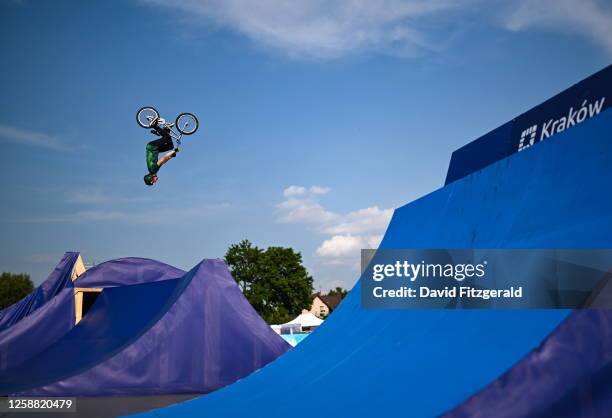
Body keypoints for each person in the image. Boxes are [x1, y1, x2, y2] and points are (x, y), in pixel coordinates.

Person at [143, 118, 179, 186]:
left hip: (152, 147)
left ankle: (154, 125)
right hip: (155, 149)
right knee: (170, 146)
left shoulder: (153, 170)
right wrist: (171, 156)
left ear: (151, 178)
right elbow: (163, 161)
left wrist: (174, 151)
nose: (155, 182)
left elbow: (164, 158)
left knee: (167, 137)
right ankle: (166, 129)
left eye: (153, 182)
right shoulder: (153, 170)